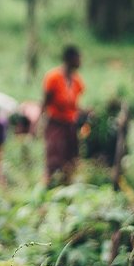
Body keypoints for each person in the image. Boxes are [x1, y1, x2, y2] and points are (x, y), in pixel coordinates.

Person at [42, 45, 84, 185]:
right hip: (55, 122)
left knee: (70, 158)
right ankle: (49, 185)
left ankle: (67, 185)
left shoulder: (77, 81)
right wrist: (40, 121)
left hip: (70, 124)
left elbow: (75, 104)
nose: (80, 61)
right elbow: (46, 101)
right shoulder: (53, 77)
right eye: (78, 58)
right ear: (70, 59)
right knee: (54, 156)